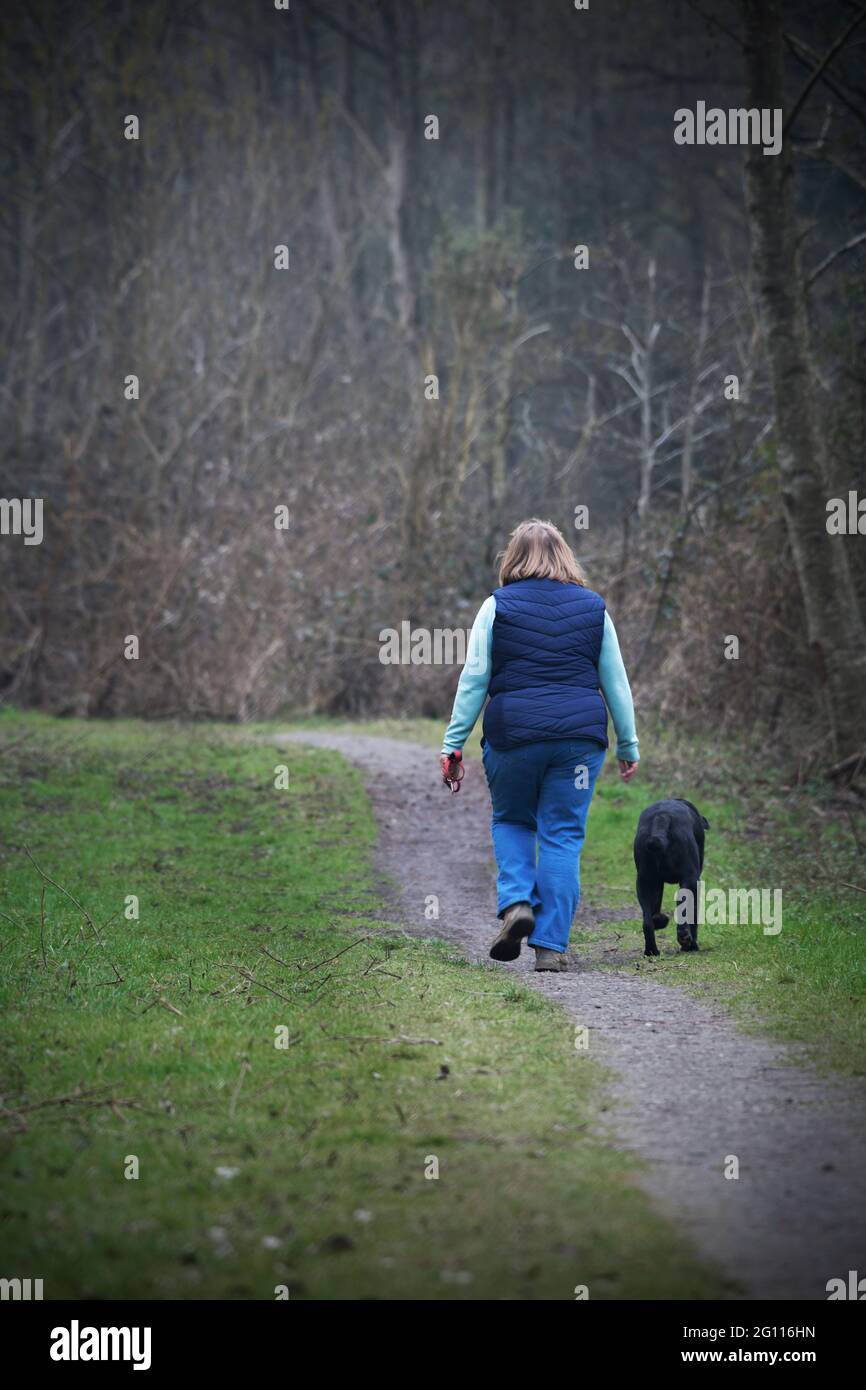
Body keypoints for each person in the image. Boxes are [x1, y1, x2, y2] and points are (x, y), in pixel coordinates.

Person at [440, 518, 639, 972]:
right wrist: (628, 744)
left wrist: (453, 745)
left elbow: (473, 680)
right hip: (579, 741)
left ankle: (516, 906)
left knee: (512, 819)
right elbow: (617, 684)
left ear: (512, 558)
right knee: (562, 835)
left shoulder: (497, 607)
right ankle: (551, 947)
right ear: (565, 555)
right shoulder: (594, 609)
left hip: (514, 736)